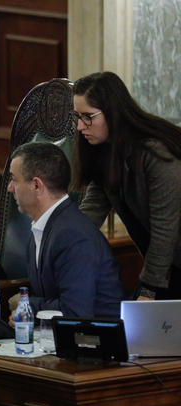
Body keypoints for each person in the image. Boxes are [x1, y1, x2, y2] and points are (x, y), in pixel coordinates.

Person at [73, 71, 181, 299]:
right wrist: (62, 245)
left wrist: (149, 290)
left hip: (169, 257)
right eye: (77, 117)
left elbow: (165, 231)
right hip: (169, 265)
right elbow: (89, 214)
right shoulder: (105, 152)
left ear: (113, 113)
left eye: (88, 117)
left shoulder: (157, 154)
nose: (80, 126)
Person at [5, 142, 125, 322]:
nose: (10, 187)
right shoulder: (46, 228)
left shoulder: (72, 234)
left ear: (37, 185)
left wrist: (27, 305)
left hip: (104, 344)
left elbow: (75, 312)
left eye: (14, 179)